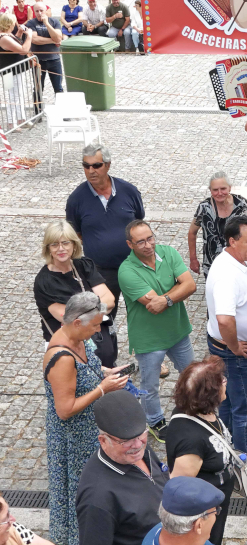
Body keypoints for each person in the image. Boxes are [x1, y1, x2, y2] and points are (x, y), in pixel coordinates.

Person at [43, 292, 129, 545]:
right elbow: (65, 409)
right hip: (72, 435)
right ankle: (77, 539)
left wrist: (106, 372)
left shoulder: (78, 339)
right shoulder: (62, 358)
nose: (97, 330)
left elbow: (88, 365)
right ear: (77, 322)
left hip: (89, 428)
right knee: (79, 488)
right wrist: (103, 388)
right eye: (94, 325)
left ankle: (94, 531)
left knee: (92, 484)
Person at [77, 391, 170, 545]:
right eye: (125, 441)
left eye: (141, 434)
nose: (137, 445)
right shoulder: (97, 495)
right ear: (103, 440)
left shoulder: (136, 448)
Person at [204, 216, 247, 480]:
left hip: (231, 349)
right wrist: (234, 347)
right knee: (245, 407)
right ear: (232, 241)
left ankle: (235, 446)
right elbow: (224, 318)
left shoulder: (236, 263)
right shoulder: (226, 275)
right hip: (233, 353)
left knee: (230, 403)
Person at [118, 220, 196, 440]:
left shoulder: (168, 253)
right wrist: (177, 289)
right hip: (149, 338)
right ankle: (155, 421)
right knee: (150, 385)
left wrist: (168, 297)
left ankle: (193, 412)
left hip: (178, 332)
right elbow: (154, 305)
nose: (148, 245)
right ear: (129, 244)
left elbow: (190, 285)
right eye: (140, 241)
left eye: (150, 238)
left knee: (193, 376)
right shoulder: (126, 271)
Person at [66, 143, 145, 334]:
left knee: (143, 313)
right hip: (100, 272)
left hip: (134, 266)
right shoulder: (76, 199)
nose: (91, 170)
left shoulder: (129, 191)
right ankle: (107, 356)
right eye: (86, 166)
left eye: (96, 165)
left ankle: (148, 355)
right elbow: (75, 234)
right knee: (102, 318)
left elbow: (139, 222)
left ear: (108, 165)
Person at [165, 357, 239, 545]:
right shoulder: (191, 442)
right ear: (210, 395)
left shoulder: (200, 409)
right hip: (203, 513)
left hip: (217, 501)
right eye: (221, 381)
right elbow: (179, 488)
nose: (225, 382)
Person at [33, 219, 115, 346]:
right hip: (67, 348)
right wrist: (98, 309)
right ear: (48, 248)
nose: (61, 249)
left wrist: (86, 313)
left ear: (73, 244)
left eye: (65, 243)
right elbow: (67, 317)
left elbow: (109, 299)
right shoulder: (44, 282)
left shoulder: (84, 265)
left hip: (99, 342)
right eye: (54, 244)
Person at [189, 171, 247, 277]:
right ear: (210, 190)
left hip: (239, 261)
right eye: (215, 190)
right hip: (213, 263)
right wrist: (193, 259)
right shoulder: (204, 208)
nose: (219, 193)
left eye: (223, 189)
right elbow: (192, 232)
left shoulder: (242, 205)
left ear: (230, 188)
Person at [25, 3, 63, 94]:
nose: (39, 13)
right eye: (37, 11)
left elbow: (58, 37)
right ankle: (38, 108)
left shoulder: (54, 22)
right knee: (38, 88)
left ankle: (61, 107)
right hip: (38, 60)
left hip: (54, 59)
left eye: (41, 10)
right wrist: (53, 41)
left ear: (46, 11)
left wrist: (46, 24)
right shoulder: (31, 23)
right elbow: (35, 39)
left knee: (58, 88)